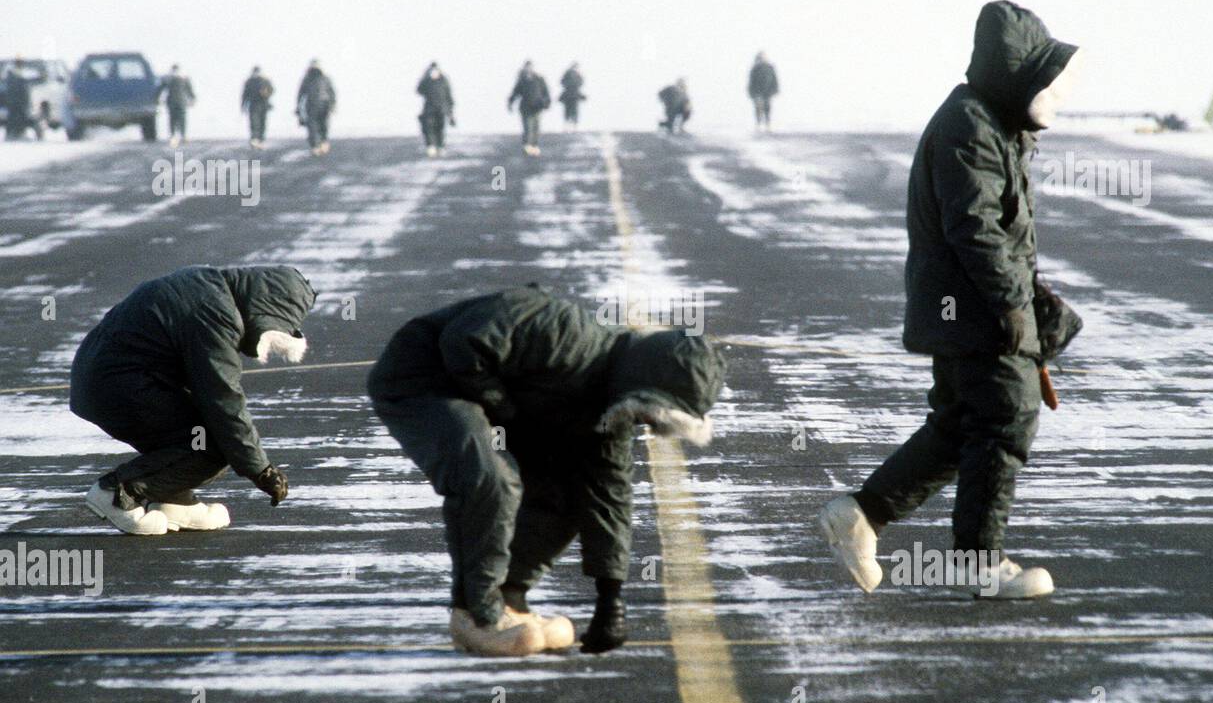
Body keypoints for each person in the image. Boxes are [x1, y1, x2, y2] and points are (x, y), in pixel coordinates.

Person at [816, 0, 1084, 600]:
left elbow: (997, 230)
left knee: (962, 425)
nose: (1054, 95)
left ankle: (860, 515)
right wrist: (1016, 308)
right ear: (1015, 74)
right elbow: (976, 228)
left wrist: (1031, 302)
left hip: (973, 308)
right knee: (1005, 418)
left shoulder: (990, 123)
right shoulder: (970, 126)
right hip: (978, 312)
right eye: (1043, 79)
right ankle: (978, 562)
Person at [367, 286, 726, 657]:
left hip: (496, 406)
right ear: (644, 382)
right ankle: (481, 615)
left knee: (568, 493)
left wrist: (610, 599)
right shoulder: (565, 331)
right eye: (652, 412)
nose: (647, 424)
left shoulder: (612, 414)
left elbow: (608, 496)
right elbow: (464, 341)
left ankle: (509, 598)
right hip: (424, 377)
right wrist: (501, 407)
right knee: (492, 478)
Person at [70, 266, 317, 536]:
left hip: (106, 379)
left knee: (195, 434)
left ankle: (174, 500)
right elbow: (223, 400)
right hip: (118, 387)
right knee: (213, 443)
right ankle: (118, 492)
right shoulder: (215, 314)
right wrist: (261, 470)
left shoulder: (207, 286)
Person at [506, 60, 550, 156]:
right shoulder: (521, 80)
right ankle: (527, 146)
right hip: (525, 107)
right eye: (527, 67)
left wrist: (547, 103)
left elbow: (546, 92)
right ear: (524, 68)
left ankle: (534, 146)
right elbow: (515, 93)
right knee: (527, 127)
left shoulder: (539, 79)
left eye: (530, 67)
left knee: (536, 127)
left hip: (537, 107)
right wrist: (510, 103)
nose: (529, 69)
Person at [296, 59, 336, 155]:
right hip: (324, 104)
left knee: (313, 125)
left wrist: (298, 108)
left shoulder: (307, 79)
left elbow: (300, 94)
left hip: (312, 105)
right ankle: (323, 142)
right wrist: (332, 105)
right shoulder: (325, 78)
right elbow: (331, 92)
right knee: (323, 124)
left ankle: (316, 145)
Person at [416, 61, 455, 157]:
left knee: (440, 128)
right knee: (429, 128)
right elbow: (419, 90)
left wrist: (450, 112)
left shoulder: (444, 81)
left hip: (441, 109)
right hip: (429, 109)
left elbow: (448, 96)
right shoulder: (427, 81)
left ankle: (440, 147)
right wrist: (425, 76)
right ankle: (431, 147)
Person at [156, 64, 195, 148]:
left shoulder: (167, 78)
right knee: (181, 119)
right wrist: (192, 98)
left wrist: (157, 99)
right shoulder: (184, 78)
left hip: (172, 101)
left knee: (173, 119)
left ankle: (174, 136)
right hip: (181, 101)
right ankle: (182, 136)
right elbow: (189, 90)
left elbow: (160, 89)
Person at [240, 66, 274, 149]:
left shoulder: (265, 81)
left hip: (263, 104)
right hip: (254, 105)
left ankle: (260, 139)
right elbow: (245, 94)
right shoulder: (249, 82)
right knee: (254, 122)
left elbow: (271, 90)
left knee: (262, 122)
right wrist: (243, 105)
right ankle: (255, 139)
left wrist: (267, 93)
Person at [748, 52, 779, 131]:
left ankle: (767, 124)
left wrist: (775, 89)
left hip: (767, 91)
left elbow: (774, 79)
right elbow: (751, 82)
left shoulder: (770, 68)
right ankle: (758, 124)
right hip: (757, 92)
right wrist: (751, 92)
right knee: (758, 108)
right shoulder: (755, 69)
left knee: (767, 108)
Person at [4, 58, 32, 141]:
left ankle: (18, 134)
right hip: (15, 101)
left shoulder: (17, 73)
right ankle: (12, 134)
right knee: (14, 118)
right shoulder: (13, 74)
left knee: (19, 118)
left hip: (18, 101)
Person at [559, 62, 585, 127]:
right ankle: (568, 124)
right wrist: (569, 85)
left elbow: (581, 82)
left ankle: (574, 125)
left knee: (574, 111)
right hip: (568, 95)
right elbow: (562, 82)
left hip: (574, 95)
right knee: (568, 111)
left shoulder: (578, 74)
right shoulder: (567, 74)